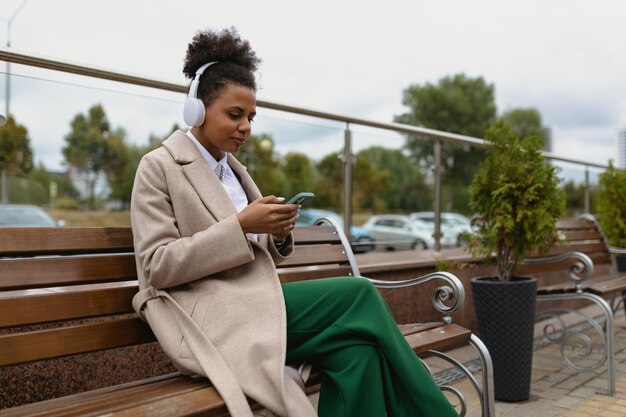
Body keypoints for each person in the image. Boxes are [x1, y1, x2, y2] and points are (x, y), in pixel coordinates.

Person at [131, 27, 458, 417]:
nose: (246, 127)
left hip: (256, 301)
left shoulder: (233, 171)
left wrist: (276, 234)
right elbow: (156, 266)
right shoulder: (159, 167)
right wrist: (240, 225)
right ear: (197, 110)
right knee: (360, 294)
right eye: (234, 115)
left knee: (359, 353)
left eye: (251, 117)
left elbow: (252, 252)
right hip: (212, 314)